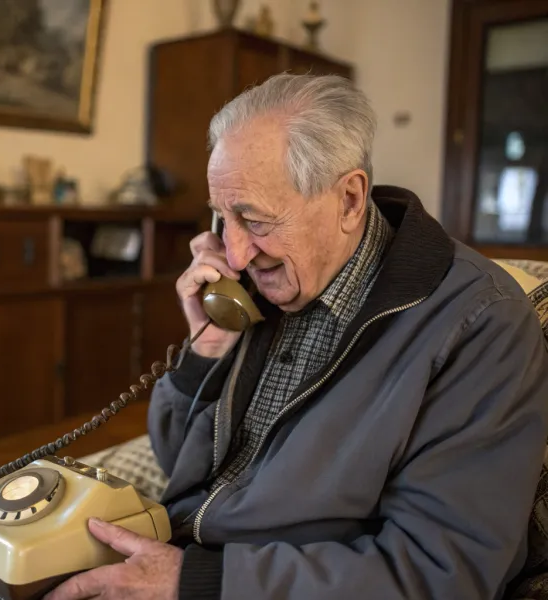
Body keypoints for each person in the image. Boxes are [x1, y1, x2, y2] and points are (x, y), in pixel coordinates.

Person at [46, 74, 548, 600]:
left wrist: (194, 582)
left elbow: (442, 572)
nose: (234, 254)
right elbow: (181, 467)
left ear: (349, 200)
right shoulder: (261, 284)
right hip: (187, 550)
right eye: (222, 216)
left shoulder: (481, 325)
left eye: (254, 219)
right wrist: (204, 348)